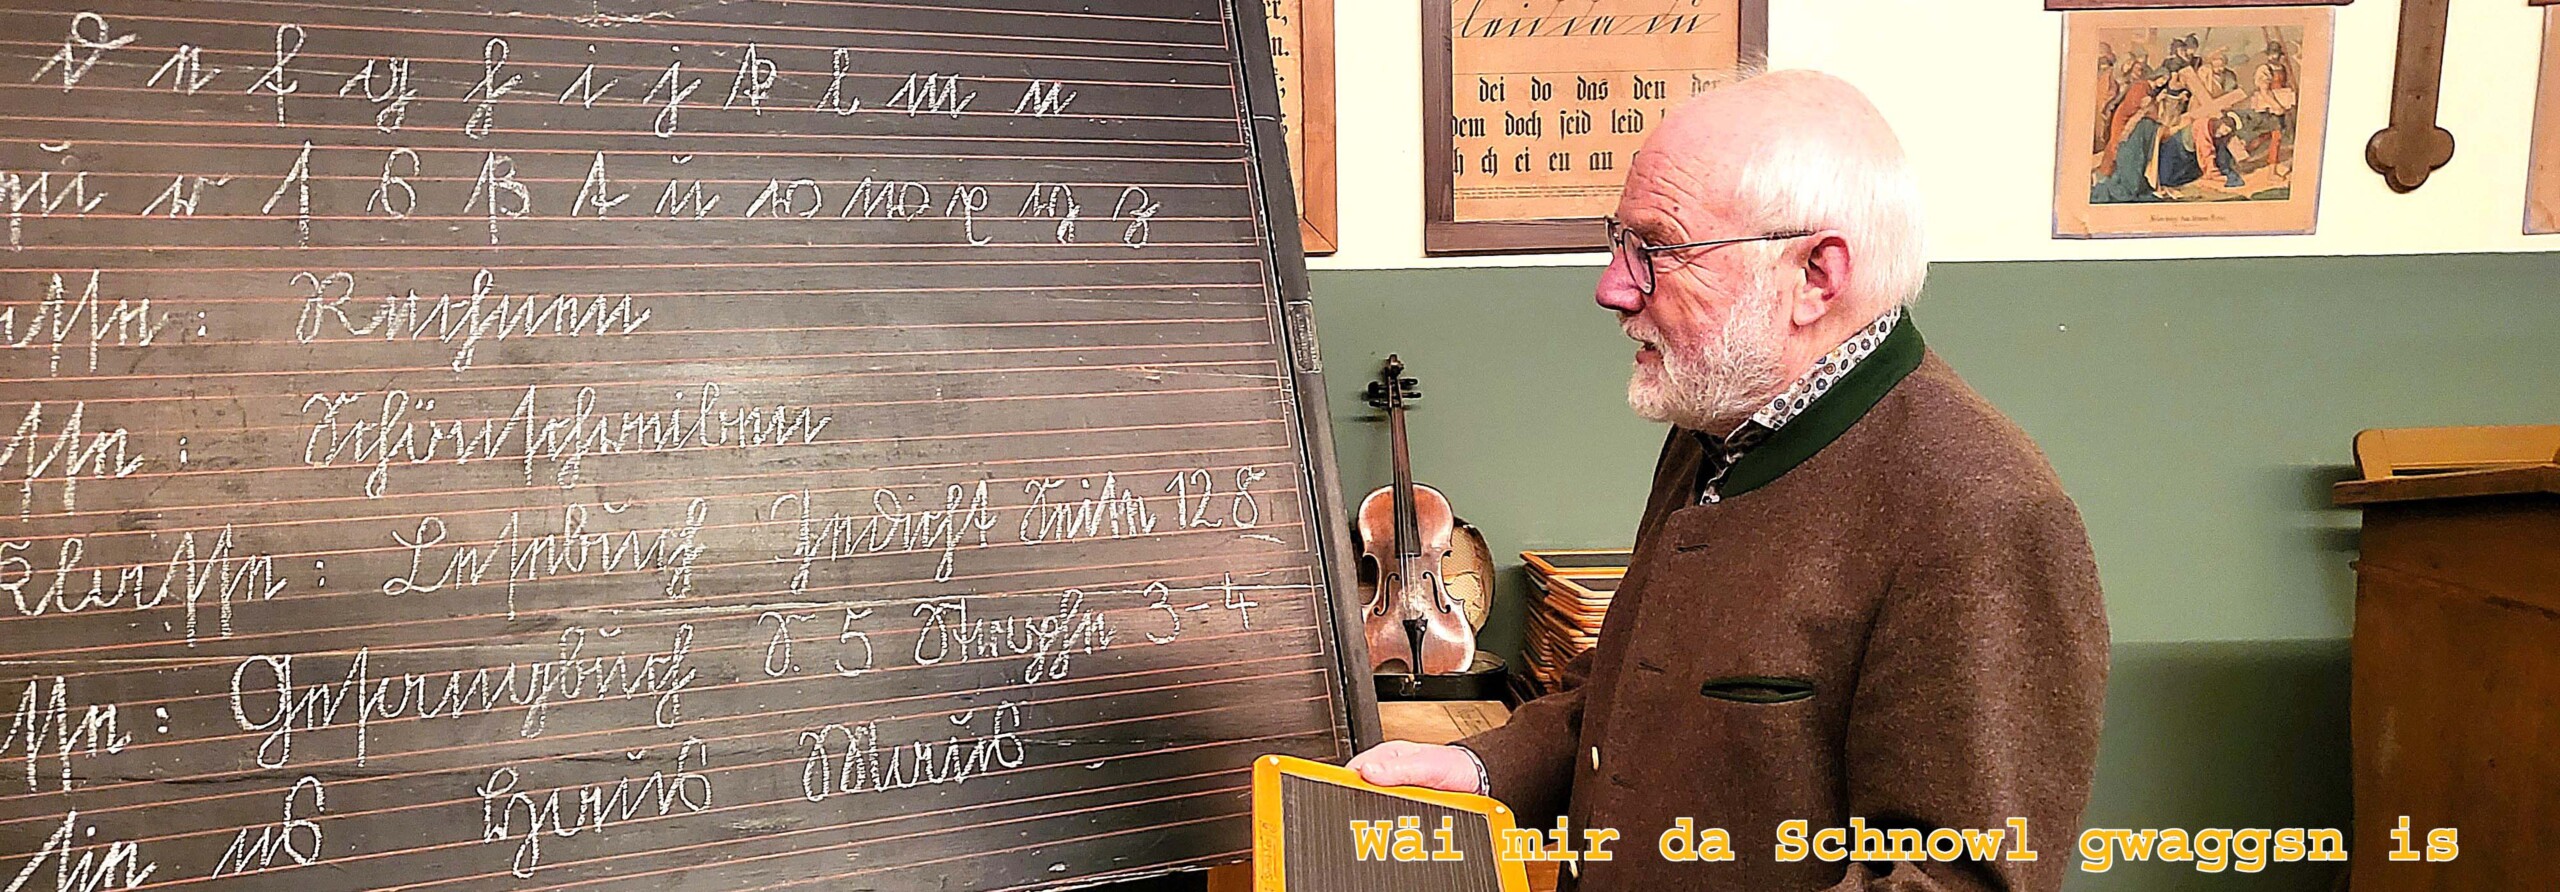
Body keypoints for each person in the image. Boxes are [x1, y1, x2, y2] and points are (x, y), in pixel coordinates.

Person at [1346, 70, 2109, 891]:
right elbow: (1638, 685)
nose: (1613, 287)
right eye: (1620, 241)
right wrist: (1483, 769)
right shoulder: (1719, 421)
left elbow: (1956, 880)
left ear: (1816, 276)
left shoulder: (1984, 512)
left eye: (1658, 250)